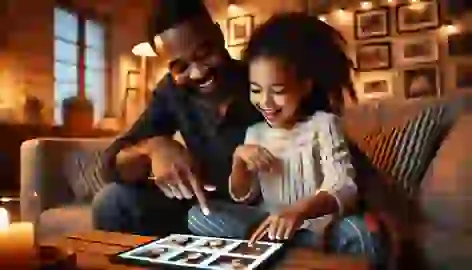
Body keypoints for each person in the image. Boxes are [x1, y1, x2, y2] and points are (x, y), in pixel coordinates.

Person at [187, 13, 387, 268]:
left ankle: (276, 256)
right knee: (199, 214)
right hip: (270, 228)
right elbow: (245, 196)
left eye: (278, 91)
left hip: (319, 231)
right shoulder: (256, 133)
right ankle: (278, 253)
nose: (266, 103)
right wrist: (239, 159)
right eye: (256, 90)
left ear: (305, 86)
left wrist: (298, 211)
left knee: (363, 232)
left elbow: (343, 185)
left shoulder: (323, 125)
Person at [91, 0, 264, 236]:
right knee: (112, 201)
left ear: (218, 34)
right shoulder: (172, 92)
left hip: (260, 209)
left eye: (205, 53)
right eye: (180, 67)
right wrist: (154, 148)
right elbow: (110, 165)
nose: (198, 72)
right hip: (202, 205)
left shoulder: (260, 78)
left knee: (208, 221)